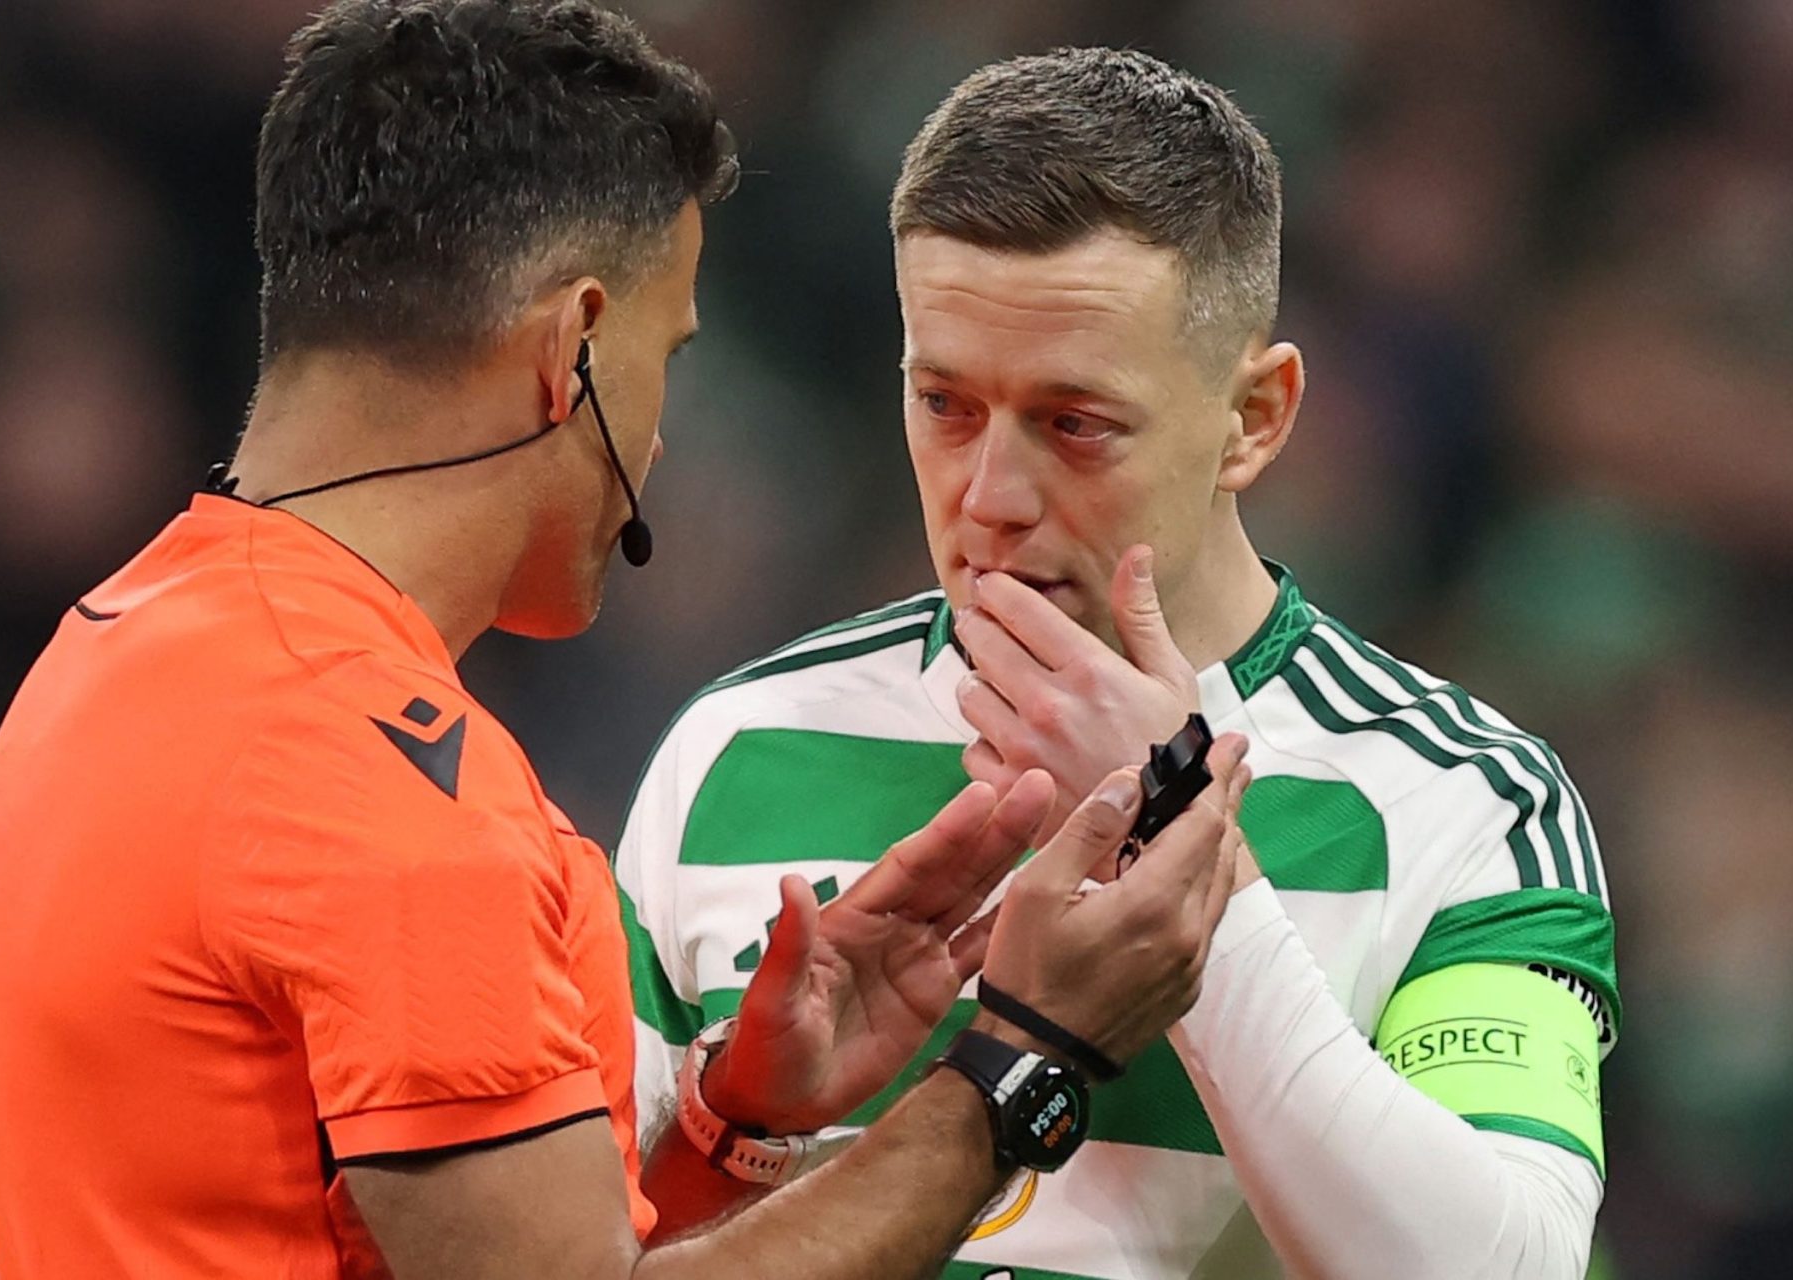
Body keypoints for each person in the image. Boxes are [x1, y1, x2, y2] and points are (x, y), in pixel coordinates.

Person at [0, 6, 1251, 1278]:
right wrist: (1020, 1060)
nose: (663, 436)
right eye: (663, 353)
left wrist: (732, 1121)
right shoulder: (384, 799)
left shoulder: (104, 655)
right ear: (571, 345)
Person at [618, 49, 1617, 1279]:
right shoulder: (734, 750)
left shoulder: (1463, 798)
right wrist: (737, 1120)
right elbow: (575, 1253)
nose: (989, 496)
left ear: (1254, 417)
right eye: (944, 404)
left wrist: (1180, 845)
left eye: (1074, 423)